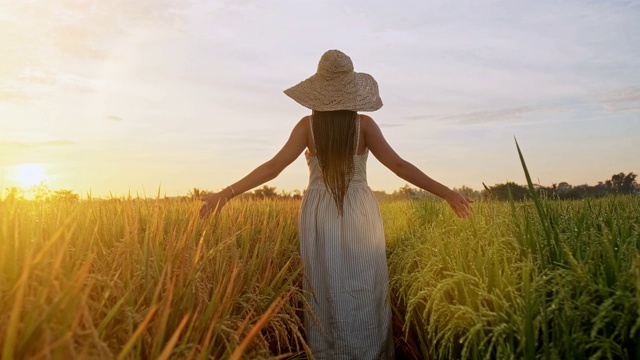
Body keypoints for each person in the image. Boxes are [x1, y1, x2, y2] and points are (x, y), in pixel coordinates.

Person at [199, 49, 473, 359]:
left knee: (324, 283)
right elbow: (400, 166)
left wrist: (227, 193)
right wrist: (447, 192)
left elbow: (272, 168)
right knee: (363, 281)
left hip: (319, 211)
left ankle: (328, 352)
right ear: (352, 90)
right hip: (359, 209)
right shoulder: (364, 125)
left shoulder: (307, 126)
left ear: (319, 90)